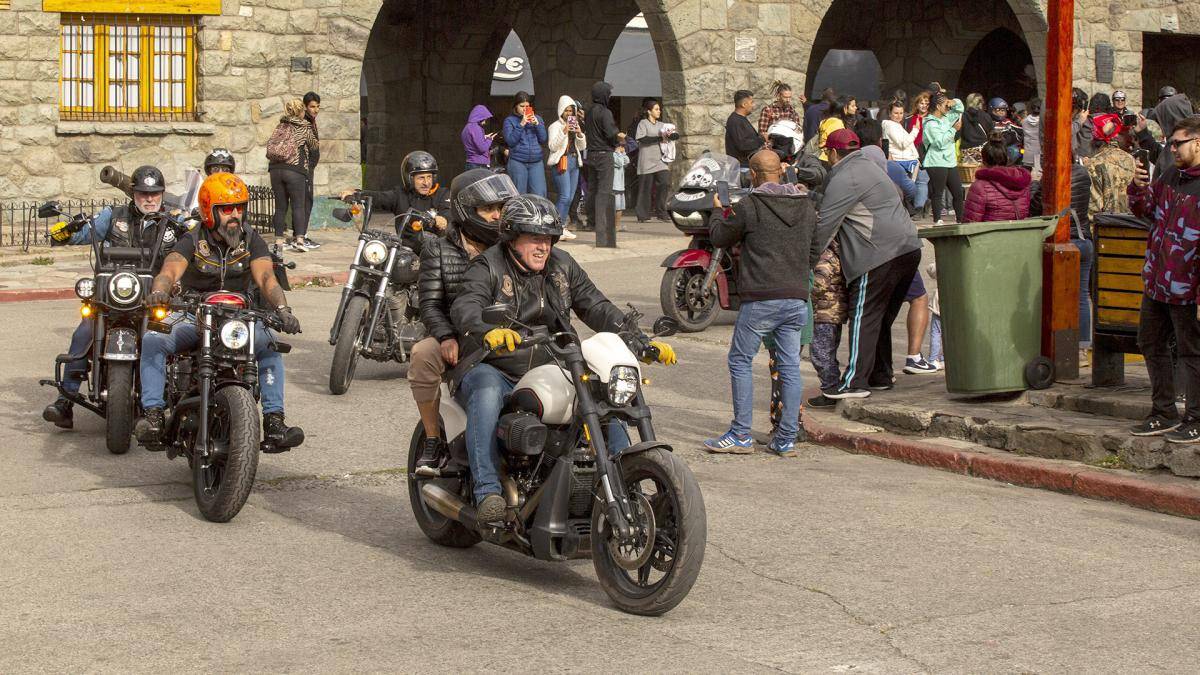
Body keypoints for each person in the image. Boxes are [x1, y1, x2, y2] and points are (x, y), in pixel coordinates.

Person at [449, 194, 676, 522]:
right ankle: (488, 490)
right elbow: (466, 305)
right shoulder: (488, 266)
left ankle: (626, 486)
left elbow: (596, 306)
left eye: (547, 239)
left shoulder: (563, 265)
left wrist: (640, 342)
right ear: (512, 238)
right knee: (485, 393)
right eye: (534, 239)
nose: (543, 247)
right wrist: (487, 330)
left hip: (551, 360)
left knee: (600, 401)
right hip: (493, 362)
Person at [134, 172, 303, 447]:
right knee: (155, 338)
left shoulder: (251, 240)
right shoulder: (193, 239)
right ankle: (153, 414)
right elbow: (170, 269)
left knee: (270, 347)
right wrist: (158, 292)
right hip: (195, 314)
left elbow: (266, 278)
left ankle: (274, 422)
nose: (234, 214)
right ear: (209, 211)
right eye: (226, 209)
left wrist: (283, 310)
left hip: (240, 319)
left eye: (239, 207)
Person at [699, 150, 818, 456]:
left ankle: (740, 434)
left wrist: (717, 211)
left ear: (752, 174)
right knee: (790, 366)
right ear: (782, 172)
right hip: (795, 299)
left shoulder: (750, 206)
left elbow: (720, 238)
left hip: (762, 298)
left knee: (740, 360)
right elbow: (816, 249)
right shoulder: (806, 206)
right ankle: (786, 438)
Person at [42, 166, 175, 429]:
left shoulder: (172, 224)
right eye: (142, 193)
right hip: (109, 297)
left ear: (162, 194)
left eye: (154, 194)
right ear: (132, 193)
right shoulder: (113, 217)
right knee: (83, 333)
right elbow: (85, 233)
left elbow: (187, 252)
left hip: (153, 300)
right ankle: (64, 401)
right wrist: (66, 232)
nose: (149, 199)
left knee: (175, 338)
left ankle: (177, 398)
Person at [410, 169, 518, 475]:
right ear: (465, 210)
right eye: (488, 209)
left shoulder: (510, 247)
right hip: (456, 335)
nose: (497, 216)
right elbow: (429, 304)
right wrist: (446, 336)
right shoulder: (438, 248)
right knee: (421, 356)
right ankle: (433, 438)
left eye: (500, 208)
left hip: (507, 336)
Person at [813, 129, 922, 398]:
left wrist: (806, 261)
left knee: (863, 316)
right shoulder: (872, 168)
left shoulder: (844, 177)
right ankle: (880, 374)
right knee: (880, 316)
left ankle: (855, 382)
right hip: (909, 248)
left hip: (878, 254)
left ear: (833, 153)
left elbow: (825, 226)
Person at [1127, 115, 1200, 442]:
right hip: (1158, 281)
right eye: (1170, 143)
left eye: (1178, 143)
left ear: (1198, 142)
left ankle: (1196, 418)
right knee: (1150, 341)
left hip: (1189, 287)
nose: (1172, 149)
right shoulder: (1170, 174)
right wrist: (1139, 188)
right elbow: (1146, 211)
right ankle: (1163, 411)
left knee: (1192, 354)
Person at [856, 118, 937, 374]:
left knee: (873, 310)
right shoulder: (890, 167)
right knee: (918, 297)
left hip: (867, 246)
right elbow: (913, 192)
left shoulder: (850, 168)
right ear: (880, 142)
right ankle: (913, 356)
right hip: (898, 243)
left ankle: (871, 371)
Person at [1031, 148, 1094, 365]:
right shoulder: (1084, 174)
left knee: (1051, 295)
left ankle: (1056, 347)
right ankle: (1081, 349)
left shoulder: (1050, 178)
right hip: (1085, 240)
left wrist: (1035, 182)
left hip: (1063, 242)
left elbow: (1035, 206)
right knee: (1081, 297)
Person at [339, 150, 450, 232]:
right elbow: (379, 197)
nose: (426, 183)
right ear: (410, 179)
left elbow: (448, 212)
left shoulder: (442, 194)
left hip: (434, 250)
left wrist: (442, 219)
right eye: (421, 178)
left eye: (429, 177)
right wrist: (357, 194)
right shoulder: (400, 195)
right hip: (405, 249)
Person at [267, 98, 317, 253]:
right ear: (301, 111)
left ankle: (279, 240)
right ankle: (300, 240)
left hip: (275, 170)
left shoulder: (280, 125)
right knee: (298, 205)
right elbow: (314, 146)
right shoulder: (304, 127)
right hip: (295, 170)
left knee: (281, 206)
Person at [583, 81, 622, 238]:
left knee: (592, 190)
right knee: (604, 190)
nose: (610, 96)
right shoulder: (605, 112)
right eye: (609, 94)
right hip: (604, 154)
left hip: (591, 154)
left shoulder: (589, 111)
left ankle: (591, 221)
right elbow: (611, 133)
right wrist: (618, 141)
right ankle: (602, 224)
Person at [1082, 113, 1138, 220]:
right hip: (1131, 226)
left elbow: (1092, 210)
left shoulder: (1093, 164)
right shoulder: (1132, 160)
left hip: (1105, 230)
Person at [963, 138, 1032, 223]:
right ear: (1007, 158)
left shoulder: (980, 186)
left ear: (984, 161)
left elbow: (970, 222)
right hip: (1021, 234)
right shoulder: (1023, 183)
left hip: (989, 235)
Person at [546, 94, 585, 239]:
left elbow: (582, 147)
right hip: (562, 162)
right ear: (561, 110)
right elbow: (552, 146)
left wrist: (579, 133)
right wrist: (564, 131)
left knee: (570, 198)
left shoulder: (576, 125)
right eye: (567, 110)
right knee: (564, 196)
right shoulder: (554, 126)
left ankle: (561, 227)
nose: (569, 114)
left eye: (571, 111)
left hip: (575, 161)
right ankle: (555, 227)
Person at [923, 92, 965, 225]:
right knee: (938, 192)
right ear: (937, 106)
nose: (948, 107)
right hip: (936, 161)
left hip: (950, 161)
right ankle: (937, 219)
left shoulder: (946, 118)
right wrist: (953, 130)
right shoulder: (930, 123)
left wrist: (955, 101)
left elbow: (960, 109)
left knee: (958, 192)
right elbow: (939, 143)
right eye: (945, 105)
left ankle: (961, 219)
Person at [634, 99, 676, 223]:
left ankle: (661, 212)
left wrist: (671, 136)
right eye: (656, 109)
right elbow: (642, 139)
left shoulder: (662, 125)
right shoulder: (643, 123)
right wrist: (659, 138)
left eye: (659, 109)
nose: (659, 111)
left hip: (660, 160)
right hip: (646, 161)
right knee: (645, 189)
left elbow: (669, 137)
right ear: (649, 111)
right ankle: (643, 215)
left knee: (664, 183)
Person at [501, 91, 548, 197]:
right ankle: (519, 213)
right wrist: (521, 124)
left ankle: (538, 213)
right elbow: (511, 141)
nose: (524, 109)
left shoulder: (538, 119)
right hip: (518, 161)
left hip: (536, 162)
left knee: (539, 194)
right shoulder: (509, 121)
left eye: (527, 106)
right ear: (515, 106)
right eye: (522, 106)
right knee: (518, 194)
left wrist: (537, 124)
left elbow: (543, 139)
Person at [301, 91, 322, 250]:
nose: (315, 110)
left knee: (307, 201)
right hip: (305, 168)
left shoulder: (312, 121)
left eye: (317, 106)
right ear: (305, 107)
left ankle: (301, 233)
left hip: (309, 168)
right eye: (312, 106)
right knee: (305, 201)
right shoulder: (305, 122)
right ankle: (302, 235)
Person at [725, 89, 764, 170]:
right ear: (744, 104)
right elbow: (743, 145)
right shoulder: (735, 121)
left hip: (747, 166)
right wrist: (762, 139)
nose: (753, 105)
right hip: (741, 168)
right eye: (751, 102)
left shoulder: (741, 119)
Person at [818, 95, 857, 164]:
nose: (856, 108)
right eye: (853, 106)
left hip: (824, 157)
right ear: (844, 108)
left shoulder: (827, 120)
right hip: (829, 159)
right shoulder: (837, 123)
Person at [462, 105, 496, 170]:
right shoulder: (476, 128)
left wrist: (484, 137)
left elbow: (472, 141)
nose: (485, 122)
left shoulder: (467, 127)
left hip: (470, 162)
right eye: (484, 119)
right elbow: (482, 148)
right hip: (478, 164)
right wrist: (489, 139)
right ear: (480, 117)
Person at [960, 93, 991, 160]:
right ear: (981, 103)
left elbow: (958, 134)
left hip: (967, 151)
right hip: (983, 151)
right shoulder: (986, 116)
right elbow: (991, 133)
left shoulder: (962, 116)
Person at [612, 143, 629, 229]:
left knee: (620, 207)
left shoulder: (620, 155)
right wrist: (618, 153)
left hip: (620, 186)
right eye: (621, 146)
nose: (622, 148)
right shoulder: (613, 155)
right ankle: (613, 226)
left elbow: (626, 161)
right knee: (616, 206)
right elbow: (619, 163)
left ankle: (617, 225)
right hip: (614, 186)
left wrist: (623, 153)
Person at [1021, 98, 1042, 171]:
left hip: (1028, 154)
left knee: (1028, 177)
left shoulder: (1024, 121)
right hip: (1040, 154)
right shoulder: (1044, 122)